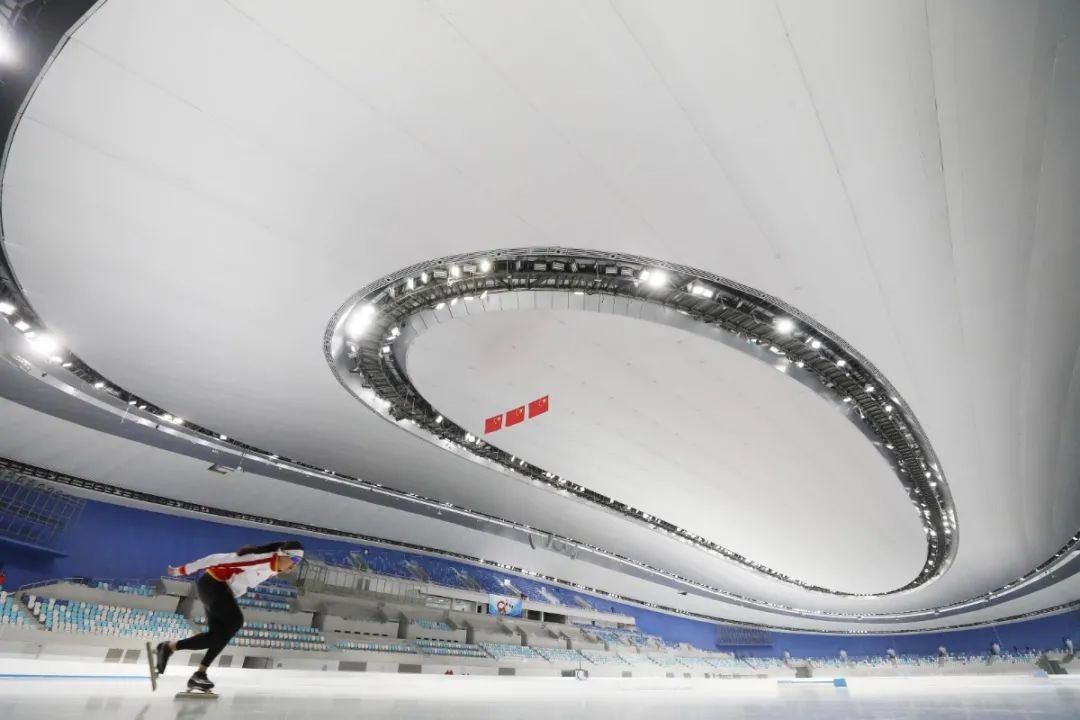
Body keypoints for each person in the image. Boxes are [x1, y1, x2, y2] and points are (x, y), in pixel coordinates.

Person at [154, 541, 304, 692]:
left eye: (298, 561)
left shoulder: (275, 567)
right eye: (294, 559)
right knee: (235, 622)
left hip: (221, 590)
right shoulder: (259, 560)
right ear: (282, 554)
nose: (295, 565)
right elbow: (214, 559)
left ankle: (190, 666)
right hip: (213, 584)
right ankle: (175, 653)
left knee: (218, 635)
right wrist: (181, 570)